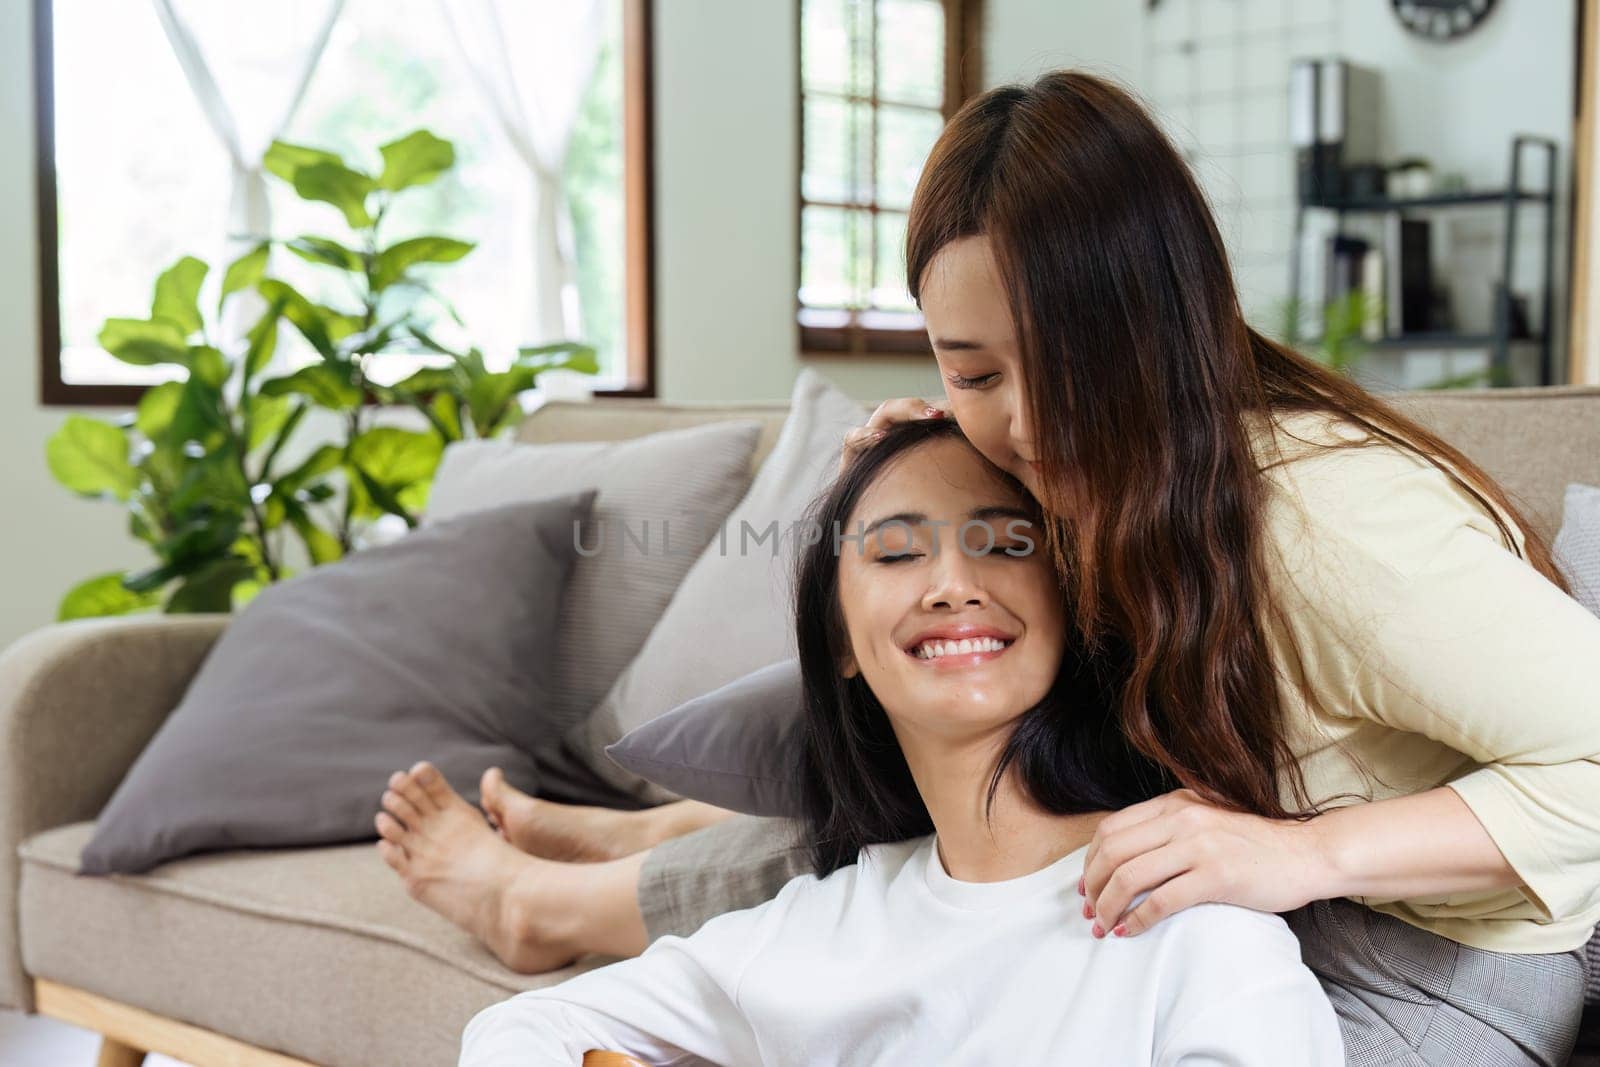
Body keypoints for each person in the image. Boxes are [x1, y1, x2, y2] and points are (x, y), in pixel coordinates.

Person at [379, 68, 1600, 1065]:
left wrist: (1305, 855)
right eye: (974, 368)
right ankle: (631, 847)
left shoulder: (1327, 524)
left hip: (1458, 937)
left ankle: (561, 899)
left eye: (1062, 362)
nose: (1032, 424)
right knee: (947, 789)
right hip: (1265, 841)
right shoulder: (1108, 468)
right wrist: (934, 467)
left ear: (1159, 321)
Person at [454, 418, 1345, 1066]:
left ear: (1069, 606)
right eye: (895, 553)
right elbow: (515, 1033)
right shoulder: (815, 928)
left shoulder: (1190, 919)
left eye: (1002, 544)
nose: (954, 583)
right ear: (840, 639)